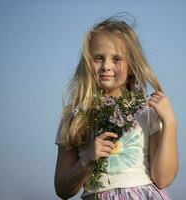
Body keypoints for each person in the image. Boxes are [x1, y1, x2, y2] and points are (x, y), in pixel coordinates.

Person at [54, 14, 179, 200]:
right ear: (88, 63)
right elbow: (62, 190)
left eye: (117, 59)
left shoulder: (146, 112)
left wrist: (170, 123)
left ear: (130, 67)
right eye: (98, 58)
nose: (106, 66)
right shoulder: (75, 117)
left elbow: (163, 178)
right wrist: (86, 160)